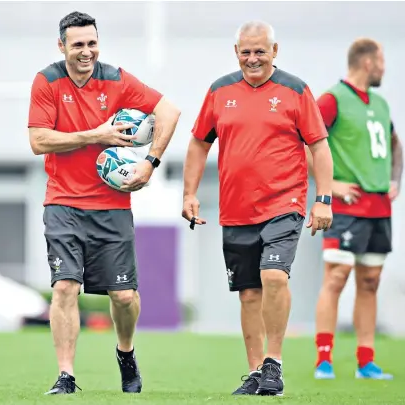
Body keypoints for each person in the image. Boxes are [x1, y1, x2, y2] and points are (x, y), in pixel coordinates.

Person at [28, 11, 180, 395]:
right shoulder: (47, 81)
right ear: (61, 46)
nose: (86, 51)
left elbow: (170, 112)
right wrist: (94, 135)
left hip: (112, 206)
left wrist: (150, 162)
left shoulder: (116, 79)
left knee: (124, 296)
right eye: (77, 44)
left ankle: (125, 353)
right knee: (64, 287)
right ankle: (66, 375)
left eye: (92, 43)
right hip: (62, 202)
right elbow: (39, 141)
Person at [182, 20, 333, 396]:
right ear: (236, 53)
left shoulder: (295, 90)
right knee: (249, 292)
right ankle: (254, 373)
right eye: (246, 51)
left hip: (285, 202)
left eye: (260, 51)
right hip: (235, 209)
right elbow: (199, 143)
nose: (253, 58)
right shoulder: (219, 91)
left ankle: (274, 363)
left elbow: (319, 146)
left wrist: (323, 198)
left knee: (274, 276)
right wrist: (189, 193)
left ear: (275, 51)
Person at [309, 38, 403, 380]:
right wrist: (329, 186)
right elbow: (306, 142)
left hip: (379, 208)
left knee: (371, 281)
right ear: (367, 62)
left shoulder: (380, 104)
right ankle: (324, 360)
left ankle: (366, 362)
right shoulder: (332, 99)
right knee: (335, 278)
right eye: (381, 61)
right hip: (347, 209)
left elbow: (395, 144)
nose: (383, 69)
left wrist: (396, 179)